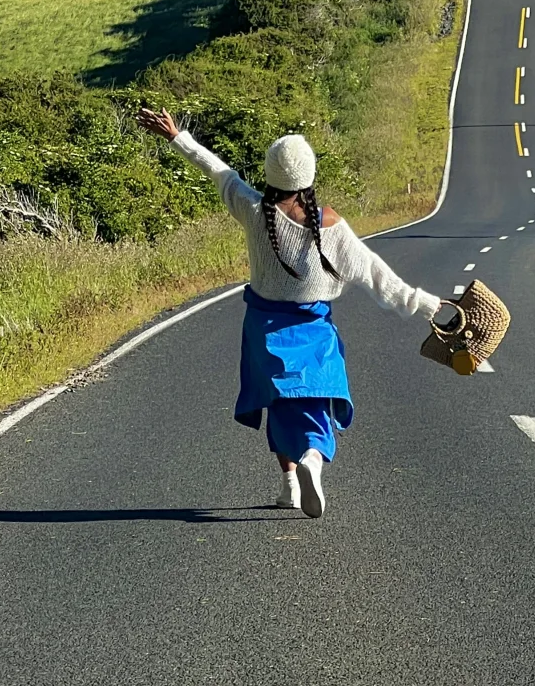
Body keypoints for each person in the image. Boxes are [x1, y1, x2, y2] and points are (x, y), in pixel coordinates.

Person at [136, 107, 446, 519]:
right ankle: (311, 464)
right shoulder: (331, 225)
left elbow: (217, 170)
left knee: (280, 405)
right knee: (315, 405)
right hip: (315, 329)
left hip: (264, 329)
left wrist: (177, 136)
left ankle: (289, 485)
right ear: (309, 178)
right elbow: (378, 276)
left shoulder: (251, 210)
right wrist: (429, 305)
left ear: (270, 175)